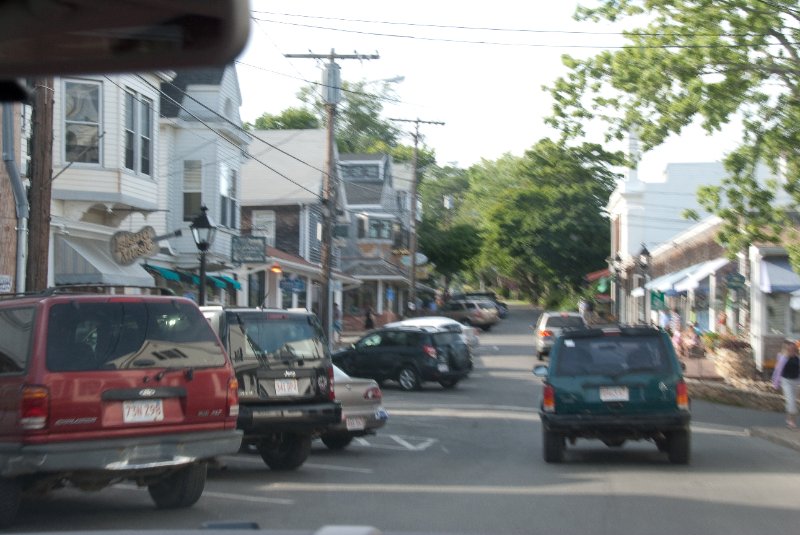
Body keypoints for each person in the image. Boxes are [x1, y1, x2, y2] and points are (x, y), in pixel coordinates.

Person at [772, 339, 800, 429]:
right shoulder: (784, 358)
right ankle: (791, 421)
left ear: (795, 349)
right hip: (786, 381)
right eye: (790, 348)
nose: (791, 350)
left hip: (795, 381)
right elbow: (777, 371)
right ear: (787, 349)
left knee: (792, 402)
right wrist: (775, 384)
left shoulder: (798, 358)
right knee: (791, 401)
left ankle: (790, 420)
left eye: (793, 348)